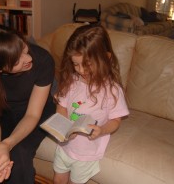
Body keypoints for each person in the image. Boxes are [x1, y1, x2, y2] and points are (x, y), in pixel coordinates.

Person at [0, 23, 56, 184]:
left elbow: (32, 114)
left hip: (38, 111)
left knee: (20, 153)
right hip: (5, 112)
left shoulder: (43, 60)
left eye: (24, 49)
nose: (28, 58)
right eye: (17, 61)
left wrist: (7, 144)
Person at [53, 24, 129, 184]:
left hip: (86, 153)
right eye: (75, 64)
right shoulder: (72, 81)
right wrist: (63, 126)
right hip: (64, 146)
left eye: (87, 64)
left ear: (106, 58)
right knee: (58, 179)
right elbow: (62, 107)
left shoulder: (112, 90)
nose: (80, 70)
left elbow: (115, 121)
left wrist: (102, 130)